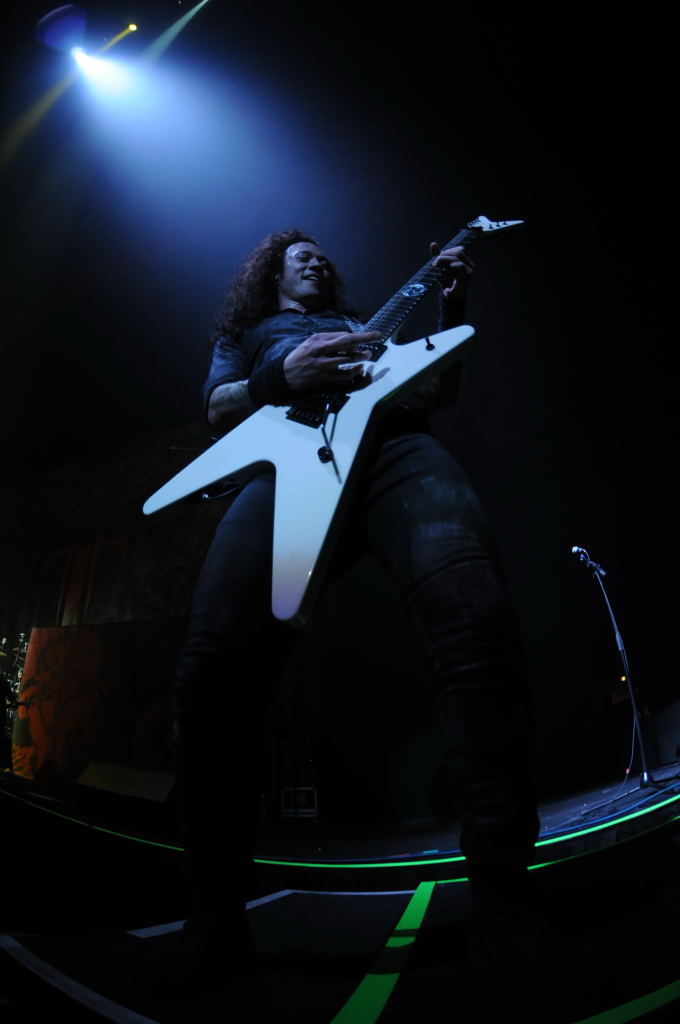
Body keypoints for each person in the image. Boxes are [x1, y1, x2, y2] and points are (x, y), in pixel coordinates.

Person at [167, 228, 540, 989]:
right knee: (211, 674)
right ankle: (212, 922)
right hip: (287, 467)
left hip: (398, 449)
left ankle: (506, 909)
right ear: (272, 273)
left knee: (476, 624)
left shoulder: (365, 325)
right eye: (298, 255)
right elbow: (217, 408)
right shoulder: (249, 333)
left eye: (322, 255)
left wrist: (452, 302)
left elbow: (437, 390)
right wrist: (282, 373)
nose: (316, 259)